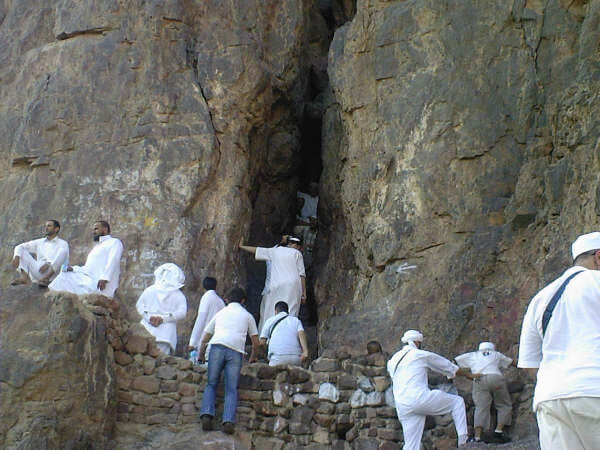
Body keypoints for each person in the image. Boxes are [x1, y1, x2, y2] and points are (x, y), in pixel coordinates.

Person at [518, 232, 600, 450]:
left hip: (550, 397)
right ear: (599, 257)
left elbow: (529, 363)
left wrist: (565, 383)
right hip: (594, 389)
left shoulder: (540, 298)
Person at [388, 329, 478, 450]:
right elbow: (448, 366)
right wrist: (469, 375)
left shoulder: (393, 360)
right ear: (417, 342)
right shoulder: (420, 354)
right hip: (419, 398)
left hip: (402, 405)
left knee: (411, 445)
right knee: (457, 402)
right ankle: (463, 441)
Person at [198, 287, 259, 435]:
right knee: (231, 388)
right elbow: (255, 342)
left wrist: (201, 355)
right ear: (243, 301)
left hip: (217, 347)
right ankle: (228, 421)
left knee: (211, 383)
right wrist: (253, 357)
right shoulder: (247, 315)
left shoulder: (220, 313)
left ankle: (207, 414)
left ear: (226, 299)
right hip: (235, 351)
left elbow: (205, 337)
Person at [239, 235, 306, 329]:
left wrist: (241, 246)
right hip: (294, 287)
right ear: (294, 245)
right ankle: (288, 333)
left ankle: (266, 334)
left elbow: (257, 250)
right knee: (291, 312)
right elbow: (302, 275)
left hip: (276, 286)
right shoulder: (297, 253)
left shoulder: (274, 251)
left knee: (269, 311)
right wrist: (304, 294)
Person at [455, 342, 512, 443]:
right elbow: (511, 362)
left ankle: (478, 436)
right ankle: (499, 430)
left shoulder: (474, 355)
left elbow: (455, 361)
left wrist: (468, 375)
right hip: (496, 378)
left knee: (481, 407)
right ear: (492, 348)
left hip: (479, 379)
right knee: (503, 404)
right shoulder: (496, 354)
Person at [49, 221, 123, 298]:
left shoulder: (114, 242)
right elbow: (88, 269)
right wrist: (73, 269)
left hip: (102, 285)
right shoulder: (97, 247)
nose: (94, 232)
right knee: (65, 274)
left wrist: (105, 278)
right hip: (90, 281)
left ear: (105, 229)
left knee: (66, 279)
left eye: (96, 229)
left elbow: (113, 260)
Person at [136, 263, 187, 355]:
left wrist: (149, 317)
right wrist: (164, 319)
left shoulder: (150, 290)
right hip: (165, 335)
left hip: (146, 330)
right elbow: (182, 312)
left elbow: (139, 306)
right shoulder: (179, 295)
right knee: (161, 360)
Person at [11, 220, 69, 287]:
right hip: (40, 270)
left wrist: (49, 263)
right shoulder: (40, 242)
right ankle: (24, 277)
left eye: (49, 226)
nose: (46, 228)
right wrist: (17, 256)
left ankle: (46, 279)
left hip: (53, 273)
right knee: (21, 250)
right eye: (45, 226)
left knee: (63, 252)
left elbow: (64, 262)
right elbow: (20, 246)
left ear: (56, 229)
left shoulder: (63, 243)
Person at [259, 301, 309, 367]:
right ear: (288, 311)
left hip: (277, 358)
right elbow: (301, 333)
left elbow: (262, 343)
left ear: (276, 311)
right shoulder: (296, 320)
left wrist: (266, 356)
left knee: (272, 372)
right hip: (295, 358)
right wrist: (305, 352)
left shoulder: (269, 321)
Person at [188, 277, 225, 358]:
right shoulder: (220, 301)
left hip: (204, 339)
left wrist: (192, 342)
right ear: (216, 286)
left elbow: (201, 319)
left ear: (203, 287)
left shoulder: (206, 297)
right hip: (217, 340)